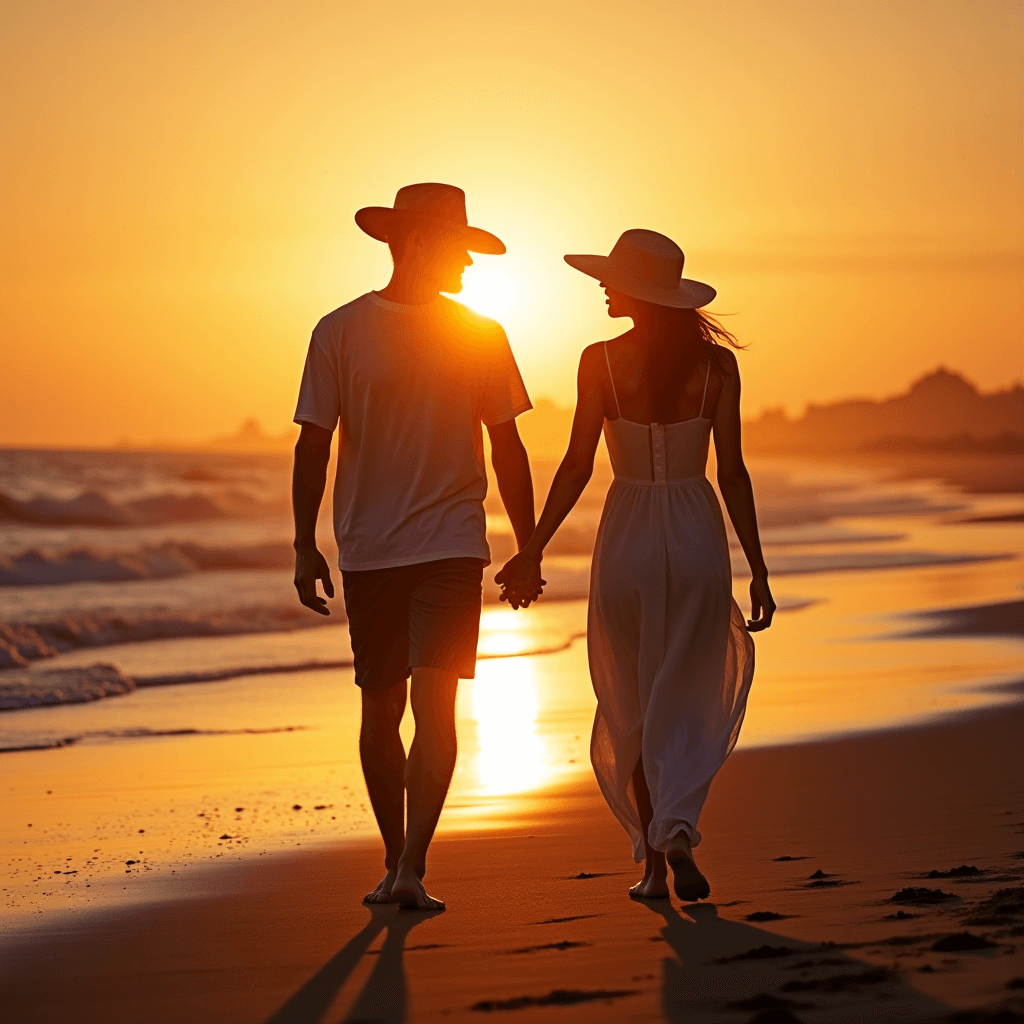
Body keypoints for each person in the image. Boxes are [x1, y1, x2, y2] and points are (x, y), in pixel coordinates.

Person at [496, 229, 775, 901]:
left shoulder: (599, 361)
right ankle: (674, 831)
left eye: (614, 278)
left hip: (626, 537)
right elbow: (732, 473)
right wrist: (758, 568)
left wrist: (531, 546)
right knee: (684, 692)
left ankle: (655, 862)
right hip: (696, 534)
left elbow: (576, 466)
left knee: (632, 699)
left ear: (638, 292)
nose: (603, 285)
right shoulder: (717, 369)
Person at [292, 183, 536, 910]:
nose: (466, 262)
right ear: (418, 243)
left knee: (436, 706)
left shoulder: (481, 333)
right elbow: (313, 443)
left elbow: (508, 445)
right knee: (379, 708)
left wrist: (529, 545)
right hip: (368, 548)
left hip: (453, 545)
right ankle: (394, 855)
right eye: (457, 247)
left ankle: (414, 867)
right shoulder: (339, 330)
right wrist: (304, 545)